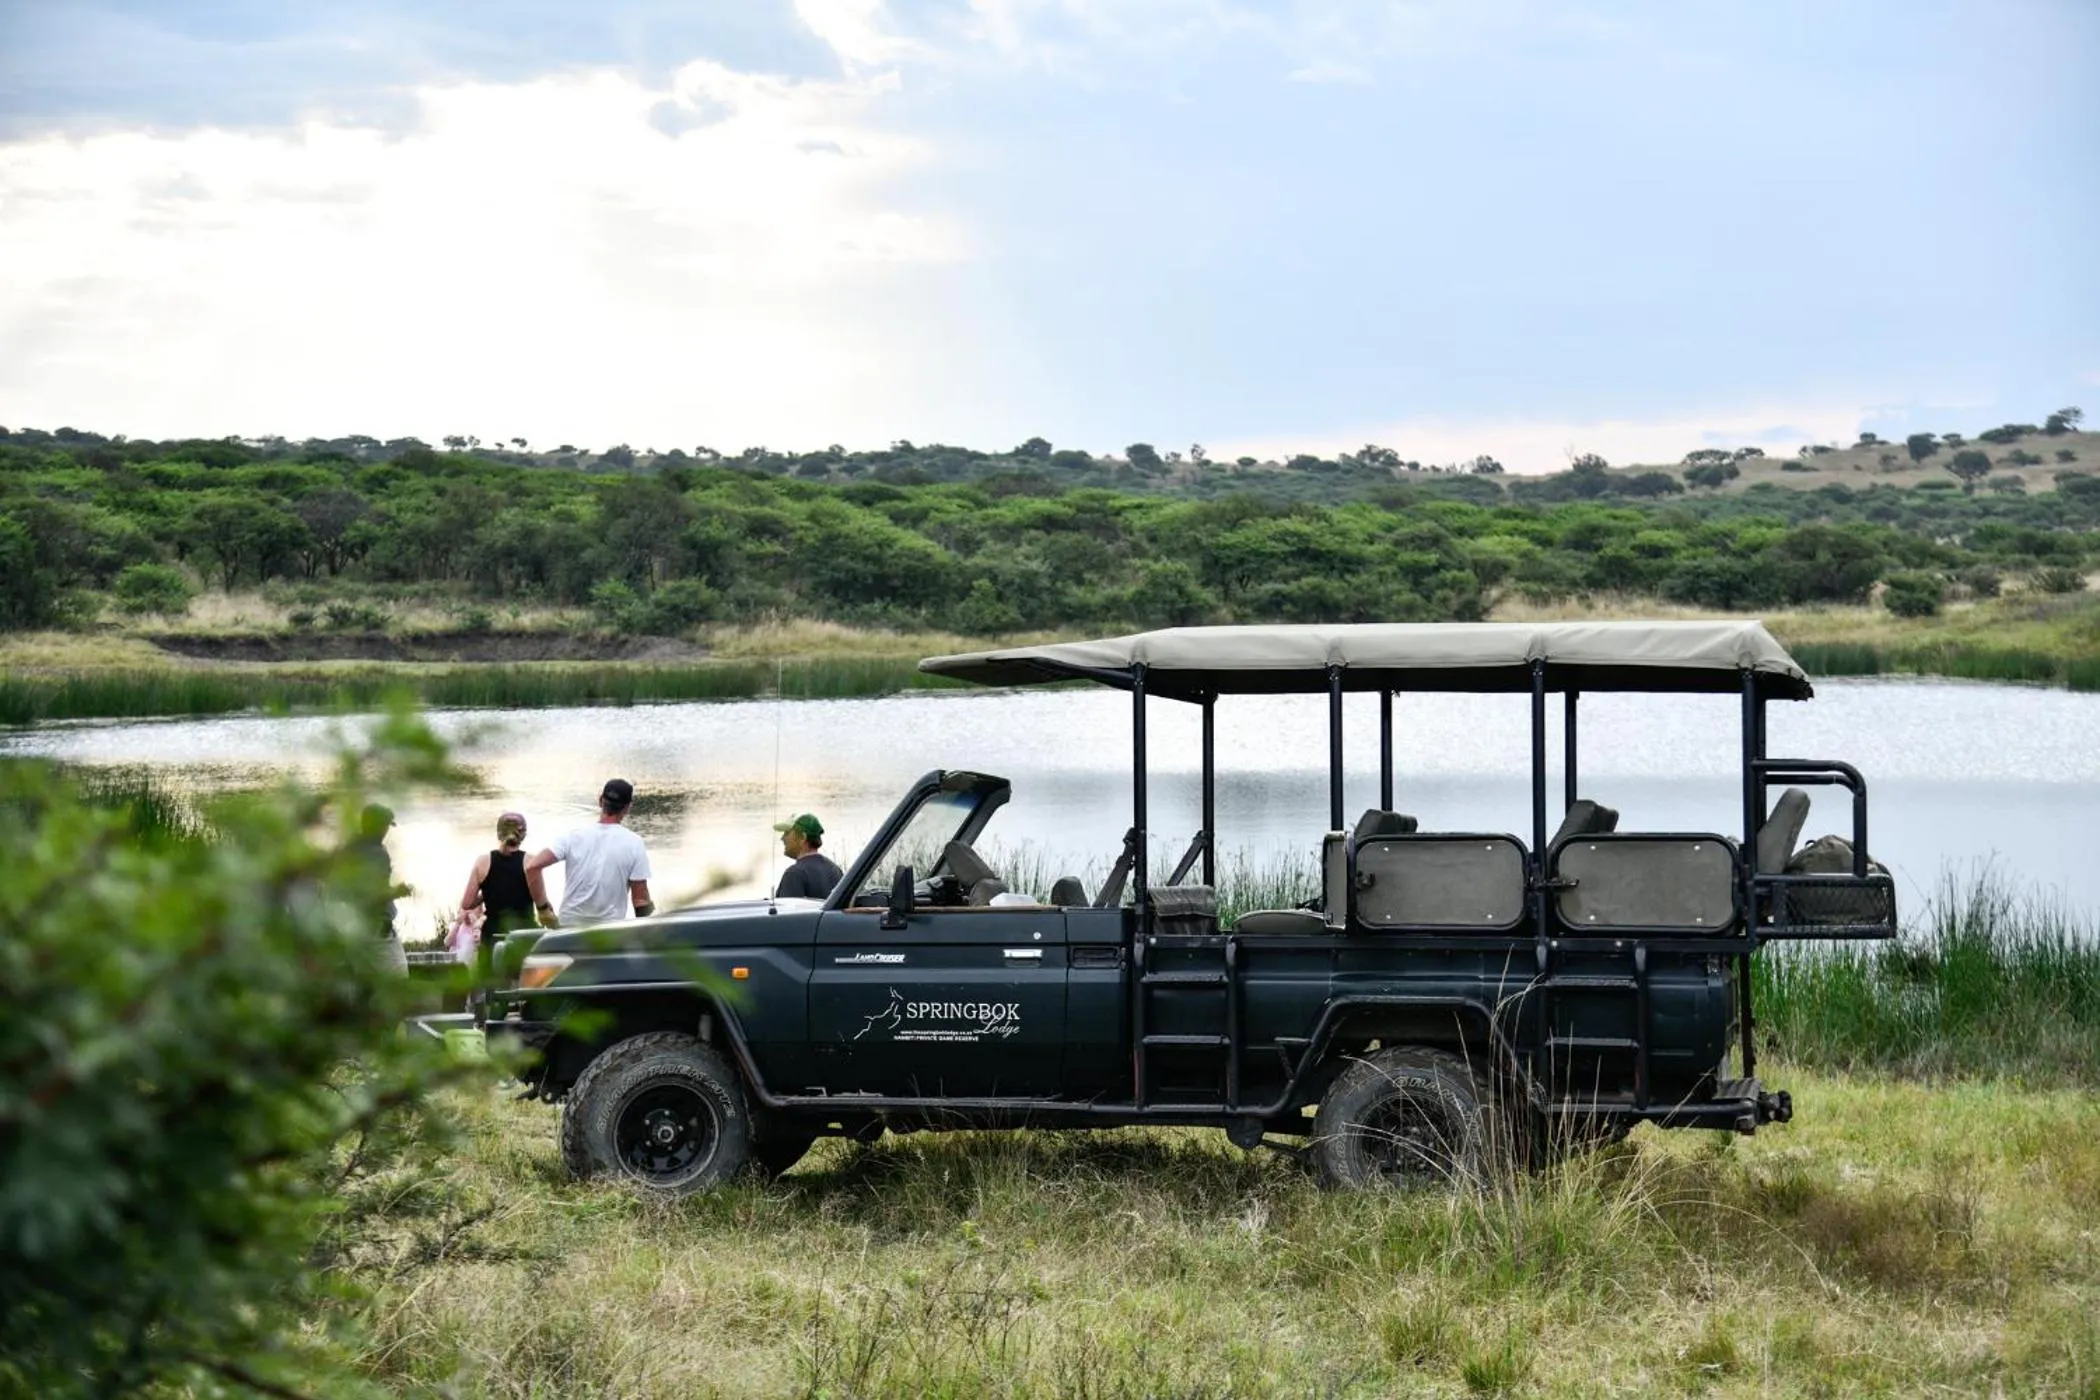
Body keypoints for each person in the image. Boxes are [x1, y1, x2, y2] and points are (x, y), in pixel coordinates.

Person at [526, 779, 654, 925]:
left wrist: (542, 909)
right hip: (609, 930)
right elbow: (640, 901)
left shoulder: (573, 837)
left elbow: (532, 867)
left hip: (568, 928)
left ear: (600, 801)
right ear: (627, 808)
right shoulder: (634, 843)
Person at [457, 811, 552, 988]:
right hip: (523, 934)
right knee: (525, 985)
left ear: (499, 833)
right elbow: (540, 902)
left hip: (492, 935)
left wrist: (489, 892)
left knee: (494, 987)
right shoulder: (531, 862)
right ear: (522, 834)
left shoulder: (482, 862)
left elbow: (467, 903)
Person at [773, 813, 844, 900]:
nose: (782, 838)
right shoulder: (836, 870)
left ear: (803, 837)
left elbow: (787, 912)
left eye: (787, 833)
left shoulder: (794, 874)